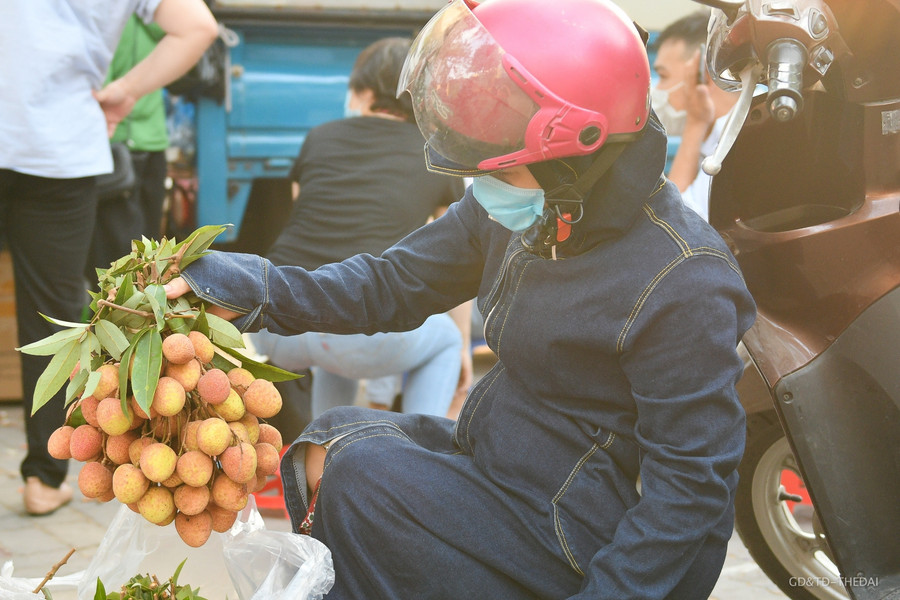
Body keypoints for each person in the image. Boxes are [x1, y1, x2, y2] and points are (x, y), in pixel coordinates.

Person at [165, 0, 756, 597]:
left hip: (586, 524)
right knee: (330, 440)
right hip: (511, 458)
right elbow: (389, 284)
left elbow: (689, 491)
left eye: (505, 168)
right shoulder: (535, 205)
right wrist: (250, 288)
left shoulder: (683, 280)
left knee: (364, 478)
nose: (485, 185)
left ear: (582, 151)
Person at [0, 0, 217, 516]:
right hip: (56, 147)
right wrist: (123, 92)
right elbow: (197, 27)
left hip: (54, 146)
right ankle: (42, 479)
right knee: (48, 313)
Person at [247, 37, 470, 420]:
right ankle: (419, 459)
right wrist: (466, 345)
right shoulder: (433, 150)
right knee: (446, 339)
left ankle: (327, 460)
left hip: (278, 322)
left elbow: (305, 212)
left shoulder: (319, 137)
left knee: (340, 334)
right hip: (362, 335)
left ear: (365, 93)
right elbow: (460, 254)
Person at [87, 15, 173, 281]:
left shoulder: (114, 14)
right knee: (141, 259)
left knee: (117, 266)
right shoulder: (165, 19)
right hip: (148, 141)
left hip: (117, 142)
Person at [651, 10, 740, 222]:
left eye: (663, 76)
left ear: (702, 74)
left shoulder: (734, 144)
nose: (657, 89)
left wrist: (695, 122)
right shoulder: (713, 138)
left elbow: (671, 224)